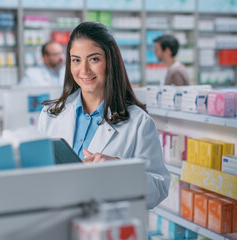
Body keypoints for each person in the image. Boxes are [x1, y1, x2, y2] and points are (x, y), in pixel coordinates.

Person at [38, 21, 170, 209]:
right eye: (76, 60)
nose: (84, 70)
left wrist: (121, 171)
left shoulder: (138, 122)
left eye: (93, 59)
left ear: (110, 61)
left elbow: (159, 188)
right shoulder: (50, 115)